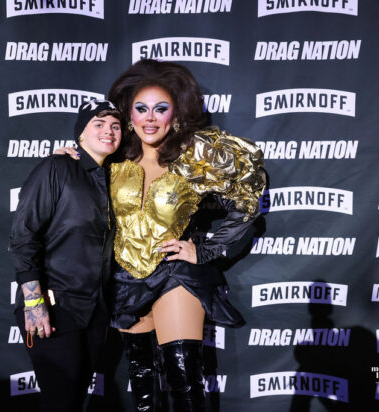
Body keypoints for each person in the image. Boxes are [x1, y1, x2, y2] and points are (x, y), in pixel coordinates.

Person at [59, 59, 266, 412]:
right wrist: (67, 162)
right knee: (142, 387)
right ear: (129, 114)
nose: (150, 118)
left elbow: (247, 202)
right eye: (141, 108)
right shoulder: (111, 159)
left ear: (176, 113)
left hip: (175, 275)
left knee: (184, 379)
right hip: (124, 280)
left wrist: (205, 250)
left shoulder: (195, 160)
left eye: (160, 108)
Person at [9, 100, 121, 412]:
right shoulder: (56, 167)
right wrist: (34, 302)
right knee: (59, 402)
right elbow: (23, 234)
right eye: (99, 123)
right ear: (80, 133)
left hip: (96, 310)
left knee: (73, 403)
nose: (109, 131)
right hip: (56, 306)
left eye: (115, 126)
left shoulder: (114, 178)